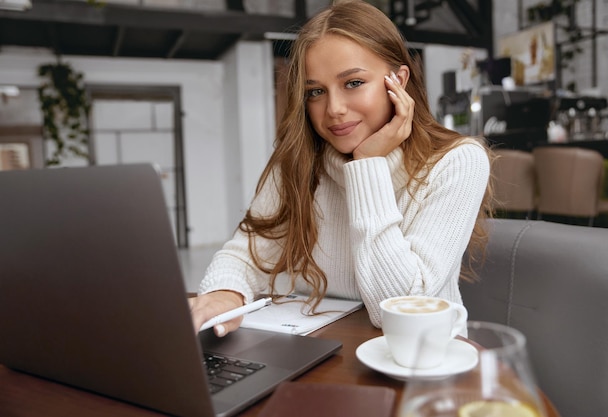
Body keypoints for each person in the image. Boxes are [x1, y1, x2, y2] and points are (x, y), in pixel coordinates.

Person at [189, 0, 493, 337]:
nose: (333, 109)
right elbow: (247, 253)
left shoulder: (457, 161)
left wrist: (367, 166)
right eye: (316, 92)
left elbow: (401, 306)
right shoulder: (298, 161)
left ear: (399, 80)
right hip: (324, 353)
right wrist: (224, 292)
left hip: (422, 361)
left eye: (353, 83)